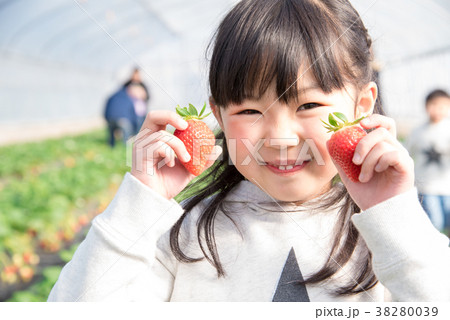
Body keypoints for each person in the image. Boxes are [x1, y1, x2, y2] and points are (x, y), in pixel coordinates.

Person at [48, 0, 450, 302]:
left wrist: (394, 216)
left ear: (362, 106)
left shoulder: (393, 237)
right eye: (250, 110)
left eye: (308, 105)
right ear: (219, 117)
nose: (280, 137)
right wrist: (140, 202)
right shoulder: (186, 235)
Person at [405, 89, 450, 233]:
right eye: (434, 104)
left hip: (446, 186)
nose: (438, 109)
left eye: (443, 106)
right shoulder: (418, 132)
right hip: (426, 186)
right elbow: (406, 153)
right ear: (426, 106)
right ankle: (436, 252)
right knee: (435, 222)